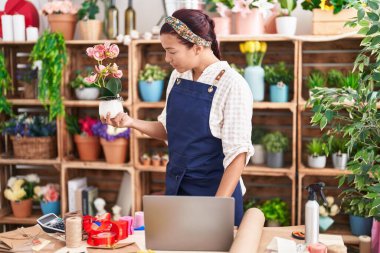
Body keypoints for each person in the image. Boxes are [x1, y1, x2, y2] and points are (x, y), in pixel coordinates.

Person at [103, 9, 254, 226]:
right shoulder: (178, 76)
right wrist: (130, 122)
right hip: (178, 189)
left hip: (215, 193)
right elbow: (168, 129)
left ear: (198, 47)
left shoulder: (232, 85)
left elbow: (238, 155)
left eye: (171, 51)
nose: (167, 59)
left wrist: (216, 207)